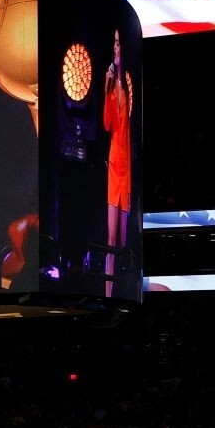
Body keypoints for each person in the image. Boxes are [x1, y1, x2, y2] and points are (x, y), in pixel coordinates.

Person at [99, 25, 134, 297]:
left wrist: (119, 79)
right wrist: (106, 86)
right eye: (113, 44)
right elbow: (107, 124)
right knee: (111, 238)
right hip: (113, 166)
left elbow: (128, 115)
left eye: (118, 43)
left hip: (126, 169)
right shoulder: (111, 91)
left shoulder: (129, 84)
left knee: (123, 239)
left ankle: (122, 291)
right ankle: (108, 293)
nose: (115, 48)